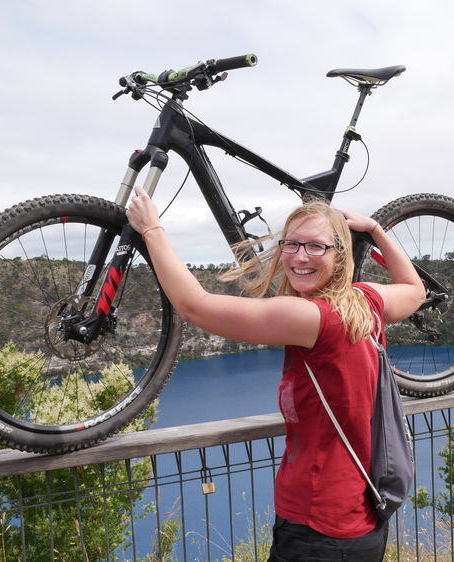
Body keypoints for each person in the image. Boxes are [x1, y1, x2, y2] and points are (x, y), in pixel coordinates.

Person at [125, 186, 424, 561]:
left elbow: (194, 307)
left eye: (316, 246)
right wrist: (377, 231)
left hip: (318, 527)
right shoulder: (365, 302)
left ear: (340, 255)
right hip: (362, 521)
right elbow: (414, 290)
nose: (300, 256)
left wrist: (152, 230)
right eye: (292, 244)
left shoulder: (311, 318)